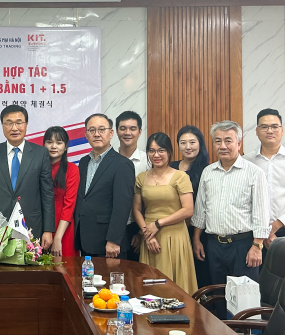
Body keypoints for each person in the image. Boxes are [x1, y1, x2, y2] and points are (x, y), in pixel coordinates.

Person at [191, 121, 270, 289]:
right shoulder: (208, 172)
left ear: (239, 143)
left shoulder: (254, 173)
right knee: (218, 294)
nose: (223, 146)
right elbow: (201, 210)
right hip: (213, 245)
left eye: (228, 140)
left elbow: (261, 213)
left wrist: (257, 246)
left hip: (243, 245)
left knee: (244, 298)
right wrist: (196, 239)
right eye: (218, 141)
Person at [132, 132, 197, 294]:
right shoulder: (141, 177)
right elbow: (136, 209)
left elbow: (188, 210)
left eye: (161, 150)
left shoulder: (180, 177)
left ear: (169, 152)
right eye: (152, 151)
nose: (156, 155)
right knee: (151, 287)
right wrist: (148, 234)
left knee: (175, 288)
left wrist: (158, 224)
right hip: (150, 237)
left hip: (174, 236)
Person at [0, 105, 55, 248]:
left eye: (19, 122)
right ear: (2, 126)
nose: (14, 128)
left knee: (30, 269)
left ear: (26, 125)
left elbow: (47, 194)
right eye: (9, 123)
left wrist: (48, 230)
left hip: (31, 226)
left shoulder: (40, 153)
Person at [244, 109, 285, 253]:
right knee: (256, 275)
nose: (270, 130)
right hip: (252, 234)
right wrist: (261, 231)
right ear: (256, 131)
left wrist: (274, 226)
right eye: (264, 127)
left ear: (282, 130)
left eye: (275, 126)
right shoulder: (246, 162)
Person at [74, 113, 135, 258]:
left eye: (102, 129)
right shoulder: (83, 162)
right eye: (92, 130)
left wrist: (114, 240)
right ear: (86, 134)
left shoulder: (122, 164)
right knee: (87, 280)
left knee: (110, 281)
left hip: (108, 243)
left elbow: (122, 206)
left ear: (111, 133)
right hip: (85, 239)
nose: (97, 134)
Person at [170, 125, 211, 289]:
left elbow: (205, 207)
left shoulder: (208, 170)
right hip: (171, 228)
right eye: (183, 142)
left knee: (198, 277)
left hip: (197, 232)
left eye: (192, 142)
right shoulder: (170, 167)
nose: (188, 147)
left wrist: (196, 237)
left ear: (200, 144)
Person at [115, 110, 150, 262]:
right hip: (113, 227)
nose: (127, 132)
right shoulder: (110, 160)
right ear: (116, 131)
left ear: (140, 131)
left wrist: (141, 233)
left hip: (138, 226)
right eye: (123, 128)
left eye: (132, 128)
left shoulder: (148, 161)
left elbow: (152, 200)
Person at [44, 126, 80, 257]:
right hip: (41, 225)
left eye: (59, 142)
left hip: (63, 227)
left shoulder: (72, 169)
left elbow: (69, 206)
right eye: (49, 142)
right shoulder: (38, 168)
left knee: (63, 269)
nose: (54, 146)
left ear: (65, 147)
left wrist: (58, 238)